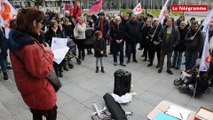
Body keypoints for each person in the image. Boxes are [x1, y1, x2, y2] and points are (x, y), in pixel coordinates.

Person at [7, 8, 57, 120]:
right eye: (40, 23)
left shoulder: (15, 36)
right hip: (40, 91)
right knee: (52, 112)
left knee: (36, 113)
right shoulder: (29, 46)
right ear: (34, 23)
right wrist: (48, 52)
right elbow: (43, 70)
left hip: (28, 90)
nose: (41, 25)